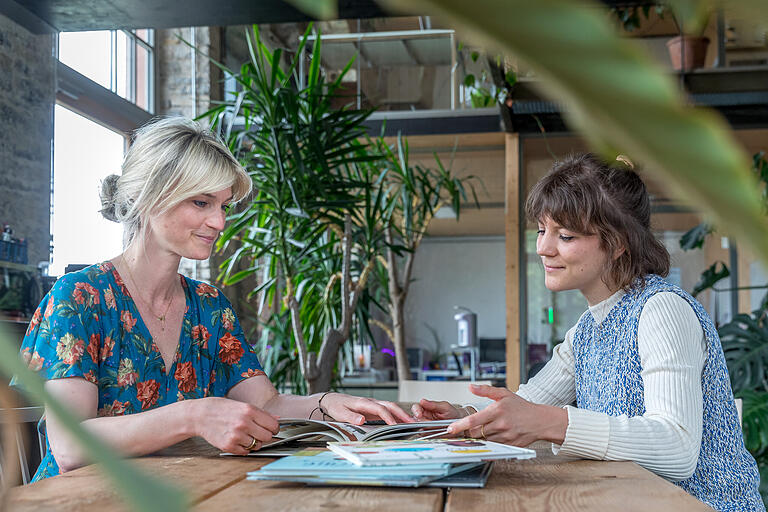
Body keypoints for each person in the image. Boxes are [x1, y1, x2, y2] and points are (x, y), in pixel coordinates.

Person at [17, 117, 412, 481]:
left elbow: (267, 404)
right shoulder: (81, 297)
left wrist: (327, 404)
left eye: (222, 206)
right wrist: (193, 415)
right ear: (151, 198)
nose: (220, 222)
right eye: (201, 203)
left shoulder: (209, 305)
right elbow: (69, 447)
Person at [412, 153, 764, 511]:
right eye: (541, 230)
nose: (543, 248)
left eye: (564, 235)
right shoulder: (587, 330)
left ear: (618, 242)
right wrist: (462, 416)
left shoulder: (663, 310)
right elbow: (528, 404)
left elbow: (676, 447)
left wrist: (553, 424)